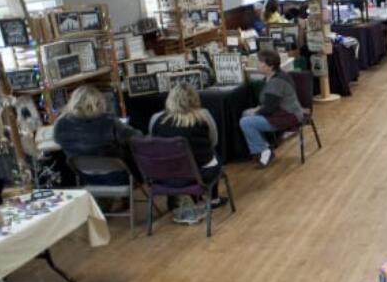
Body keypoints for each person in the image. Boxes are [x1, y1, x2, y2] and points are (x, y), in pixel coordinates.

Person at [149, 84, 226, 222]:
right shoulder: (203, 115)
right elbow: (214, 141)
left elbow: (155, 143)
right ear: (194, 98)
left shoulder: (156, 119)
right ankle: (213, 198)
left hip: (165, 176)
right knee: (213, 156)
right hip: (199, 175)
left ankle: (177, 198)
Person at [53, 85, 138, 186]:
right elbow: (137, 137)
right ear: (99, 103)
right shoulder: (109, 122)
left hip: (86, 178)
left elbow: (57, 140)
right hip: (118, 178)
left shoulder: (61, 124)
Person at [239, 49, 304, 168]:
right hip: (280, 112)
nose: (257, 64)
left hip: (288, 116)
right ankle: (265, 147)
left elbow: (269, 108)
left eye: (260, 62)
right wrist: (256, 110)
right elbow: (269, 103)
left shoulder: (276, 82)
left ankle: (264, 151)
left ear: (269, 66)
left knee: (246, 122)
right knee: (245, 114)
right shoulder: (271, 77)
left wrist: (256, 111)